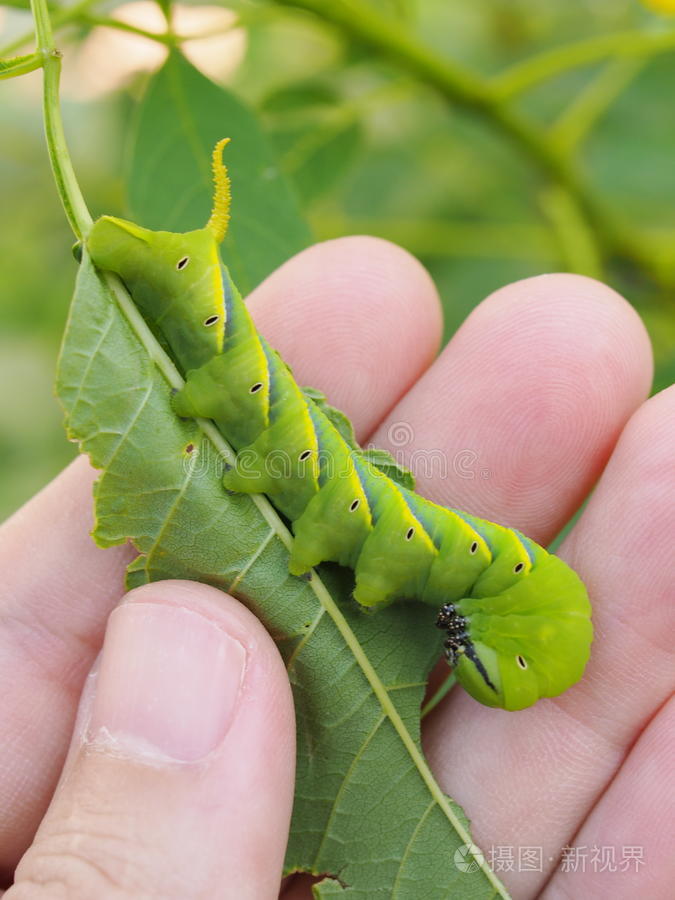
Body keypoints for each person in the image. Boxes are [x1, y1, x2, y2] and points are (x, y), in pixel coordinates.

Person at [1, 237, 672, 899]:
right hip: (250, 388)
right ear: (513, 618)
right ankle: (176, 272)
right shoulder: (418, 550)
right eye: (485, 655)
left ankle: (172, 271)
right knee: (262, 384)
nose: (455, 645)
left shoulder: (440, 560)